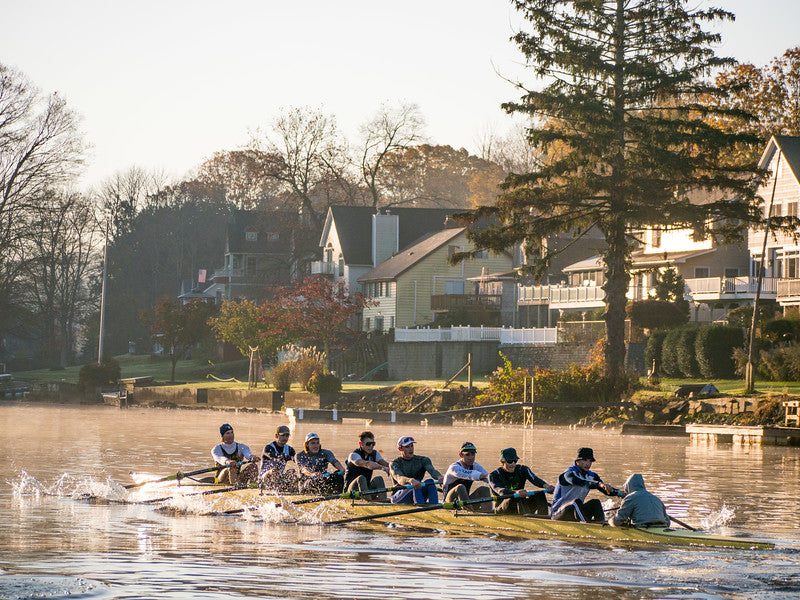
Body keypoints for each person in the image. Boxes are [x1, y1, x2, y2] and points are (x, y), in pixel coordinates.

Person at [550, 447, 618, 523]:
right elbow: (579, 482)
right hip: (558, 514)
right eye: (585, 460)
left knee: (595, 502)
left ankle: (601, 524)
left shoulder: (592, 476)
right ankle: (586, 525)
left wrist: (621, 494)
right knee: (576, 502)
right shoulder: (568, 474)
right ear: (577, 461)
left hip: (576, 512)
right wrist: (598, 484)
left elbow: (606, 491)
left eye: (590, 461)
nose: (588, 464)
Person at [488, 447, 554, 515]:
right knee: (516, 496)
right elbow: (501, 491)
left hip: (520, 505)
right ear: (502, 462)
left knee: (540, 494)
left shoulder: (522, 469)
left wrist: (547, 486)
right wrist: (516, 492)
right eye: (509, 461)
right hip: (502, 508)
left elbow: (534, 479)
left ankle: (544, 516)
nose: (513, 464)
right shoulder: (494, 475)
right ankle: (526, 518)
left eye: (515, 461)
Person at [389, 436, 443, 505]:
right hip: (398, 496)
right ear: (400, 448)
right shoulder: (394, 464)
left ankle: (435, 506)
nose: (411, 449)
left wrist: (439, 477)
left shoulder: (422, 460)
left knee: (430, 482)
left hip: (416, 491)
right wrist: (411, 480)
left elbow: (432, 471)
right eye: (407, 447)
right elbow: (399, 478)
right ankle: (420, 506)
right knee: (416, 482)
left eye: (412, 446)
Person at [442, 442, 492, 512]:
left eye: (473, 454)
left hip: (465, 502)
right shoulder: (454, 468)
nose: (471, 458)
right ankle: (469, 511)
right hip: (450, 503)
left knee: (484, 489)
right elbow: (470, 475)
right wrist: (486, 476)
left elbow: (490, 479)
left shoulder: (475, 466)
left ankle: (488, 512)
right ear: (461, 455)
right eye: (467, 455)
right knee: (460, 487)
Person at [344, 430, 391, 501]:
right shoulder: (353, 455)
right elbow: (367, 464)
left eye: (373, 444)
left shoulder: (375, 454)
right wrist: (382, 468)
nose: (371, 446)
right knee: (361, 478)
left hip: (365, 490)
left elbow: (387, 464)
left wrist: (394, 469)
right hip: (351, 491)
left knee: (379, 479)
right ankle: (368, 502)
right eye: (368, 444)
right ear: (361, 444)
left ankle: (383, 501)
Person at [260, 425, 297, 492]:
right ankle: (277, 490)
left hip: (279, 477)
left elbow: (298, 459)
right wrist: (286, 457)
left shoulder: (290, 449)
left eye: (287, 436)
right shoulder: (268, 448)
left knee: (292, 472)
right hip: (264, 477)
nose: (285, 438)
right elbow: (273, 455)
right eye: (282, 435)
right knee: (274, 471)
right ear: (276, 436)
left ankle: (292, 490)